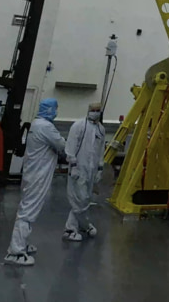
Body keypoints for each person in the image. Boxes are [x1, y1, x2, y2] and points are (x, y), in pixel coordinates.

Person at [5, 98, 66, 266]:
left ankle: (22, 243)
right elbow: (61, 145)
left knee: (27, 208)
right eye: (55, 108)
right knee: (28, 211)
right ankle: (15, 252)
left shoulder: (36, 124)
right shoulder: (46, 127)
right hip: (38, 175)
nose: (56, 111)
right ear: (49, 110)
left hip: (32, 173)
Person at [63, 102, 106, 241]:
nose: (95, 112)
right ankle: (77, 227)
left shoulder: (101, 129)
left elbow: (100, 151)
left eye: (98, 110)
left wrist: (100, 168)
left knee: (86, 199)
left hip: (92, 170)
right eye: (93, 110)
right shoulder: (79, 126)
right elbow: (70, 146)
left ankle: (76, 227)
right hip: (78, 168)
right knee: (79, 199)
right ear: (88, 110)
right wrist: (73, 165)